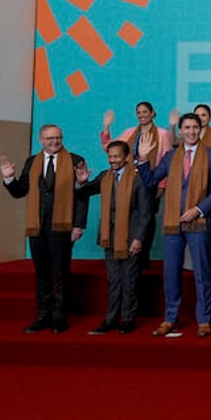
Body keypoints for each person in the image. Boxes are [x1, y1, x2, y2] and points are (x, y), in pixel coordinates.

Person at [136, 113, 211, 338]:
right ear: (181, 130)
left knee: (202, 273)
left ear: (200, 129)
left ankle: (204, 319)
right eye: (187, 127)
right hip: (173, 223)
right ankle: (170, 318)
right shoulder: (170, 156)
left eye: (195, 127)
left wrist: (198, 209)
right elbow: (150, 180)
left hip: (199, 223)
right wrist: (143, 159)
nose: (191, 131)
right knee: (171, 273)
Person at [0, 124, 88, 333]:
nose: (54, 141)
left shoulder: (76, 161)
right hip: (37, 227)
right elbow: (20, 192)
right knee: (42, 273)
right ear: (41, 140)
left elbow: (82, 196)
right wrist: (9, 178)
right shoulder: (32, 162)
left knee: (61, 272)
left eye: (58, 137)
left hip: (62, 227)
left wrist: (78, 224)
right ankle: (43, 315)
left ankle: (59, 317)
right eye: (49, 138)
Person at [75, 140, 152, 335]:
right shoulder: (104, 176)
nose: (113, 160)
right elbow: (84, 191)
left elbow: (145, 212)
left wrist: (138, 238)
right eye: (110, 156)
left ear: (126, 157)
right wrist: (81, 182)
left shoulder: (137, 178)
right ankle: (110, 319)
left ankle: (128, 319)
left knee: (129, 280)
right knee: (114, 281)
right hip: (109, 237)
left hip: (130, 237)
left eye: (117, 156)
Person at [100, 101, 173, 267]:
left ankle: (143, 254)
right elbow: (109, 147)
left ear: (153, 113)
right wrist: (106, 127)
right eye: (139, 112)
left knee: (147, 217)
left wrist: (162, 185)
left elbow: (166, 161)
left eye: (145, 112)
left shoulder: (162, 134)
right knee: (130, 216)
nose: (142, 115)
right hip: (129, 181)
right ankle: (128, 251)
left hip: (150, 181)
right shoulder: (129, 132)